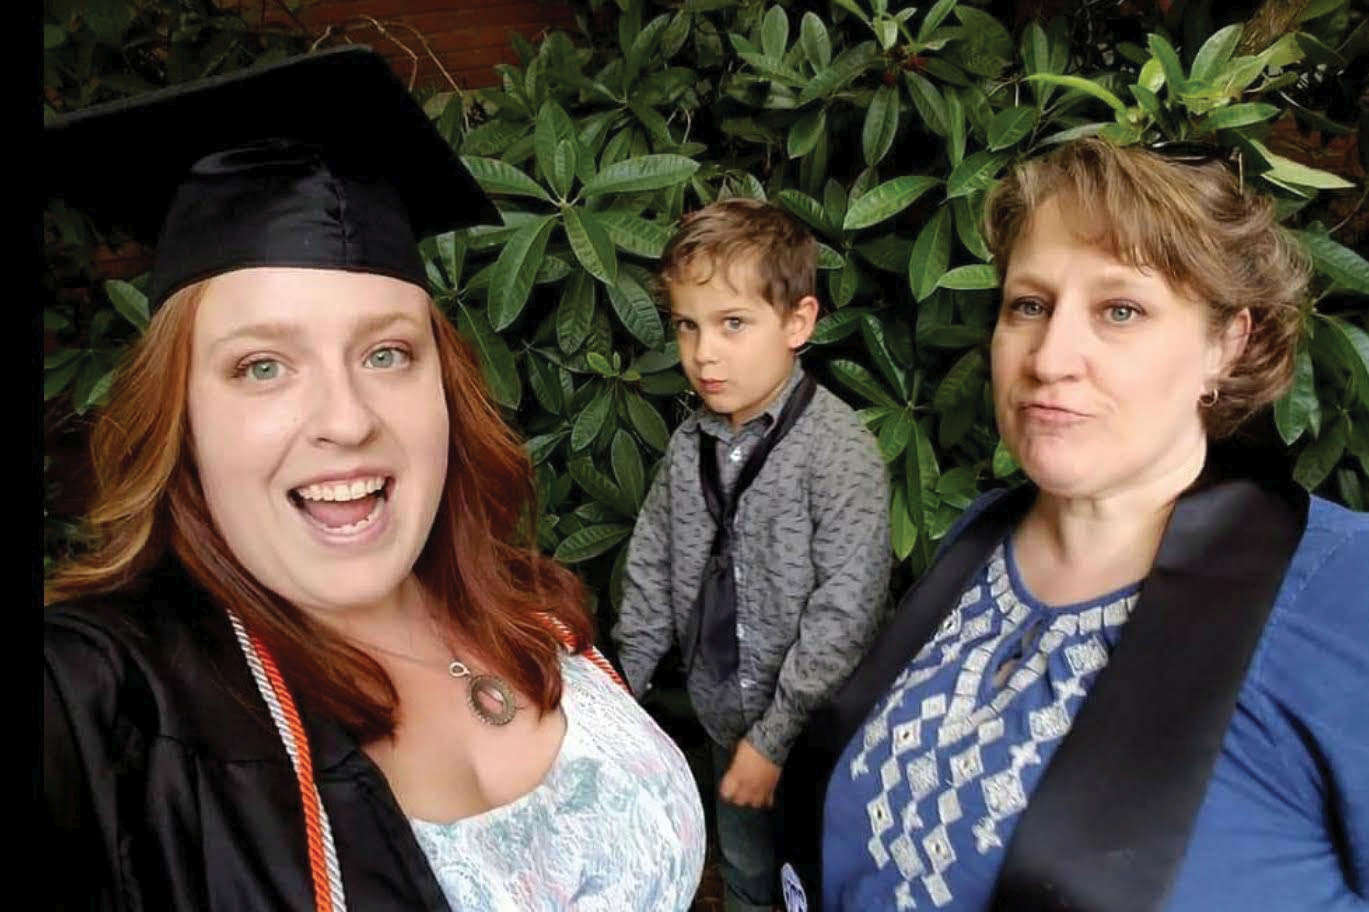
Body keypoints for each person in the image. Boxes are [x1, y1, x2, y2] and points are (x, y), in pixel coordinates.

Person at [42, 47, 705, 911]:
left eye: (386, 352)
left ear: (444, 387)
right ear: (183, 418)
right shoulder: (111, 704)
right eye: (262, 367)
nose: (347, 418)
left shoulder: (523, 604)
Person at [806, 137, 1369, 911]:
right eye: (1029, 305)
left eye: (1120, 310)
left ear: (1224, 344)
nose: (1049, 356)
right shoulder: (979, 544)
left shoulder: (1340, 594)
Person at [612, 198, 893, 912]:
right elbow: (648, 570)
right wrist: (621, 700)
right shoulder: (688, 449)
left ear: (797, 322)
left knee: (822, 884)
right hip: (722, 722)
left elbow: (846, 612)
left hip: (813, 740)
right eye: (688, 325)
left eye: (732, 324)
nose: (704, 353)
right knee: (744, 876)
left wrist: (771, 743)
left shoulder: (837, 450)